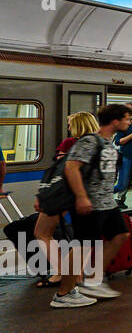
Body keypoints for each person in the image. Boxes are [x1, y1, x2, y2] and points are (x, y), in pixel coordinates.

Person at [63, 103, 132, 303]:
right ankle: (63, 293)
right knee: (81, 248)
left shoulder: (107, 142)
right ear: (115, 121)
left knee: (121, 235)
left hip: (107, 203)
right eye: (127, 119)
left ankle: (94, 281)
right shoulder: (90, 142)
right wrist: (81, 196)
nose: (129, 122)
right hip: (89, 203)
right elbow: (71, 168)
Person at [33, 111, 98, 305]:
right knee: (79, 240)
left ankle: (62, 274)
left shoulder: (71, 144)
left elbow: (58, 174)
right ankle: (74, 278)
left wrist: (43, 197)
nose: (68, 127)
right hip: (81, 197)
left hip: (62, 196)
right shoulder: (97, 144)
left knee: (42, 233)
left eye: (70, 124)